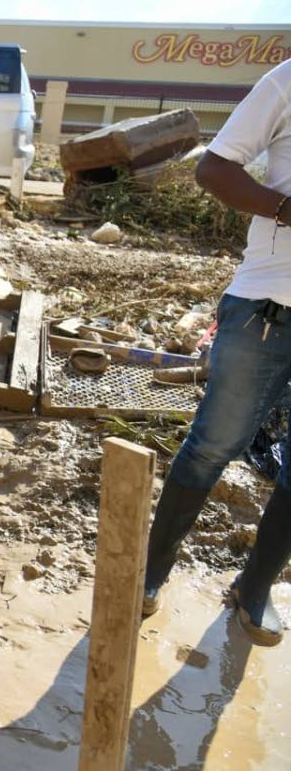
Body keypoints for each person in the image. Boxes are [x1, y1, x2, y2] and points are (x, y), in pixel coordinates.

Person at [142, 58, 291, 646]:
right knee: (213, 446)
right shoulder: (285, 82)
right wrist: (285, 208)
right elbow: (213, 169)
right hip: (268, 307)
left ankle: (254, 592)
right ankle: (150, 575)